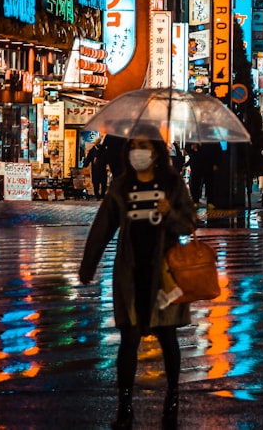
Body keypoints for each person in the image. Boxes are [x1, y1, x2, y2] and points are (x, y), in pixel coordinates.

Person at [77, 126, 197, 430]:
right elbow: (102, 228)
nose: (137, 152)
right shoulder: (120, 187)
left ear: (155, 151)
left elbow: (189, 225)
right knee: (128, 339)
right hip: (130, 274)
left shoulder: (172, 184)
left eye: (143, 146)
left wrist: (169, 213)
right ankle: (125, 404)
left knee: (168, 337)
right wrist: (88, 266)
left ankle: (172, 399)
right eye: (133, 146)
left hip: (164, 276)